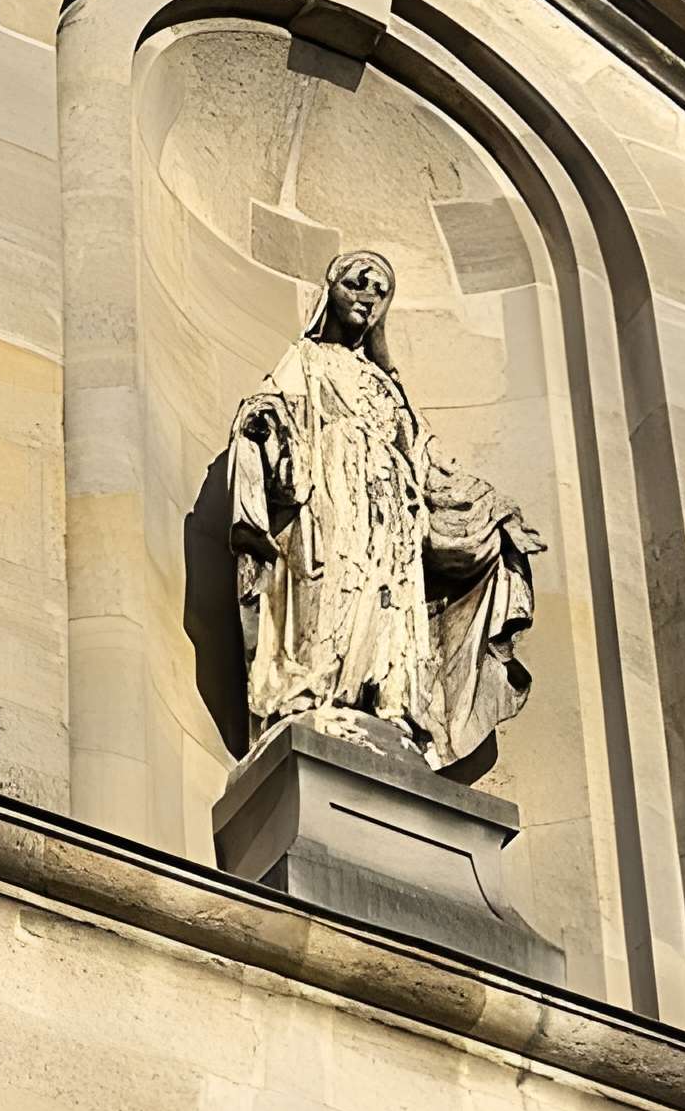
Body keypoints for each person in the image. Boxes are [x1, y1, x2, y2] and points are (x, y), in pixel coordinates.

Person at [226, 249, 542, 773]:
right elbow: (273, 410)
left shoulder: (389, 386)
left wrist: (489, 509)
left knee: (389, 602)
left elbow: (428, 463)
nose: (368, 297)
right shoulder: (308, 360)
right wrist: (264, 422)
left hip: (394, 514)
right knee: (336, 591)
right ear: (332, 289)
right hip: (332, 498)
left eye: (380, 291)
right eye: (358, 283)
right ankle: (318, 693)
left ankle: (390, 707)